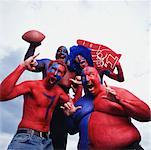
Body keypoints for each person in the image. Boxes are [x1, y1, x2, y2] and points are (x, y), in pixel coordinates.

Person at [0, 54, 80, 150]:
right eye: (54, 69)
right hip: (27, 138)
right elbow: (2, 95)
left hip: (46, 142)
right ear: (47, 70)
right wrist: (22, 66)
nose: (55, 73)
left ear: (62, 77)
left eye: (59, 72)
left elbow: (73, 106)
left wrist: (79, 88)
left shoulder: (58, 92)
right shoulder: (32, 86)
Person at [66, 66, 150, 149]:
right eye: (84, 77)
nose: (87, 79)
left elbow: (147, 115)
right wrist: (70, 115)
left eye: (91, 75)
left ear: (99, 78)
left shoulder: (115, 92)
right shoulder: (80, 104)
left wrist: (120, 100)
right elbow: (71, 130)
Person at [24, 42, 82, 149]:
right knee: (36, 136)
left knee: (58, 142)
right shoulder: (47, 64)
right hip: (43, 105)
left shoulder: (73, 71)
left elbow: (89, 80)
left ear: (68, 56)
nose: (61, 53)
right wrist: (33, 45)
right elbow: (29, 63)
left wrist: (75, 97)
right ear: (55, 54)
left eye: (64, 51)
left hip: (61, 109)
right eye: (59, 51)